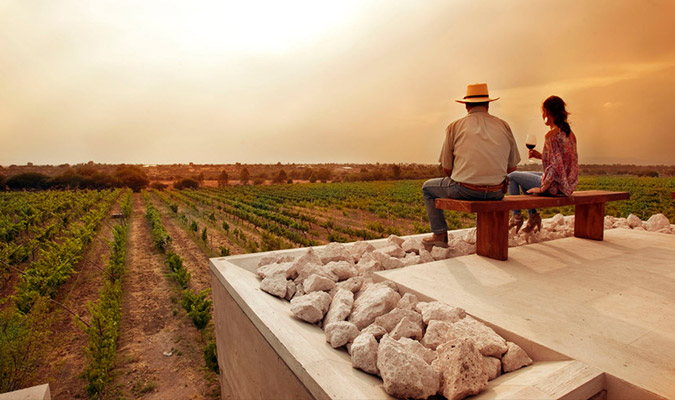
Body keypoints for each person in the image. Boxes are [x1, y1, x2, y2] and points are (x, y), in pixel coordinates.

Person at [422, 83, 520, 247]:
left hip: (464, 190)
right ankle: (487, 235)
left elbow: (447, 169)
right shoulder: (504, 125)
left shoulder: (454, 126)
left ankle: (439, 235)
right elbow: (512, 167)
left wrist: (466, 173)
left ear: (466, 105)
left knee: (427, 188)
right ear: (488, 104)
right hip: (496, 192)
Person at [507, 95, 579, 233]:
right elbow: (564, 162)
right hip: (566, 184)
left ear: (547, 112)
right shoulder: (569, 133)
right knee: (523, 176)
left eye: (543, 111)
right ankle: (532, 216)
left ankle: (516, 216)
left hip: (556, 186)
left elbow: (554, 167)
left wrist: (543, 187)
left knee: (512, 176)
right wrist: (541, 156)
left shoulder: (551, 135)